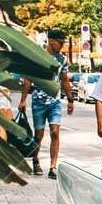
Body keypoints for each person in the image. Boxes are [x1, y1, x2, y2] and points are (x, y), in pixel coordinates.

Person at [19, 30, 74, 178]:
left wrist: (70, 99)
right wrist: (23, 100)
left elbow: (64, 79)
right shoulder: (37, 56)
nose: (62, 45)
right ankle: (36, 160)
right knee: (38, 136)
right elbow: (28, 79)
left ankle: (53, 166)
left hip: (55, 102)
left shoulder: (62, 59)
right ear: (51, 41)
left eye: (64, 42)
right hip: (38, 101)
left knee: (55, 132)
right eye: (60, 42)